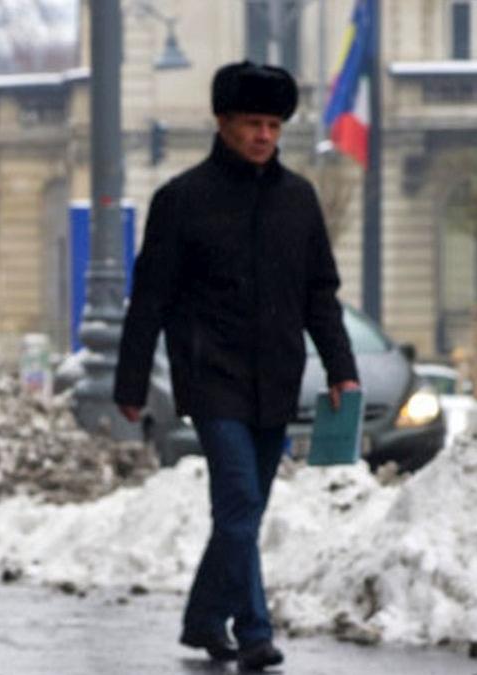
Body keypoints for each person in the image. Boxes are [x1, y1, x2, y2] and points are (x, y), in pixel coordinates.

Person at [113, 61, 360, 672]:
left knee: (243, 514)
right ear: (223, 123)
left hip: (277, 376)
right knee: (240, 502)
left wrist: (341, 369)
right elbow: (150, 298)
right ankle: (253, 630)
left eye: (273, 124)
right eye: (252, 123)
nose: (263, 136)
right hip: (211, 375)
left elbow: (319, 295)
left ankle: (202, 619)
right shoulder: (182, 201)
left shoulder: (299, 200)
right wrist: (131, 381)